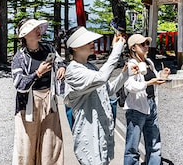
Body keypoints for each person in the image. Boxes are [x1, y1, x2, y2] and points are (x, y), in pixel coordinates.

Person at [64, 26, 129, 165]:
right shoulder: (73, 71)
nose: (92, 43)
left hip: (102, 130)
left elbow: (108, 90)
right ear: (75, 47)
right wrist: (117, 49)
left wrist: (125, 74)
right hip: (88, 132)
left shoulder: (91, 66)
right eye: (87, 42)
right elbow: (102, 77)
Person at [11, 18, 66, 165]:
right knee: (27, 145)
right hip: (28, 103)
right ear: (24, 35)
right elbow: (19, 84)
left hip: (49, 100)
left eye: (37, 28)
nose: (37, 31)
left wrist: (62, 67)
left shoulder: (48, 49)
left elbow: (60, 61)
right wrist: (38, 73)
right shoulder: (19, 57)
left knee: (52, 143)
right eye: (32, 29)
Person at [123, 34, 170, 165]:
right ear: (133, 48)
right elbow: (130, 86)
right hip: (136, 107)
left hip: (151, 104)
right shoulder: (131, 65)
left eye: (147, 44)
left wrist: (162, 75)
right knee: (132, 146)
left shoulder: (148, 62)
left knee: (154, 143)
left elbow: (153, 79)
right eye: (142, 44)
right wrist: (149, 83)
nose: (146, 47)